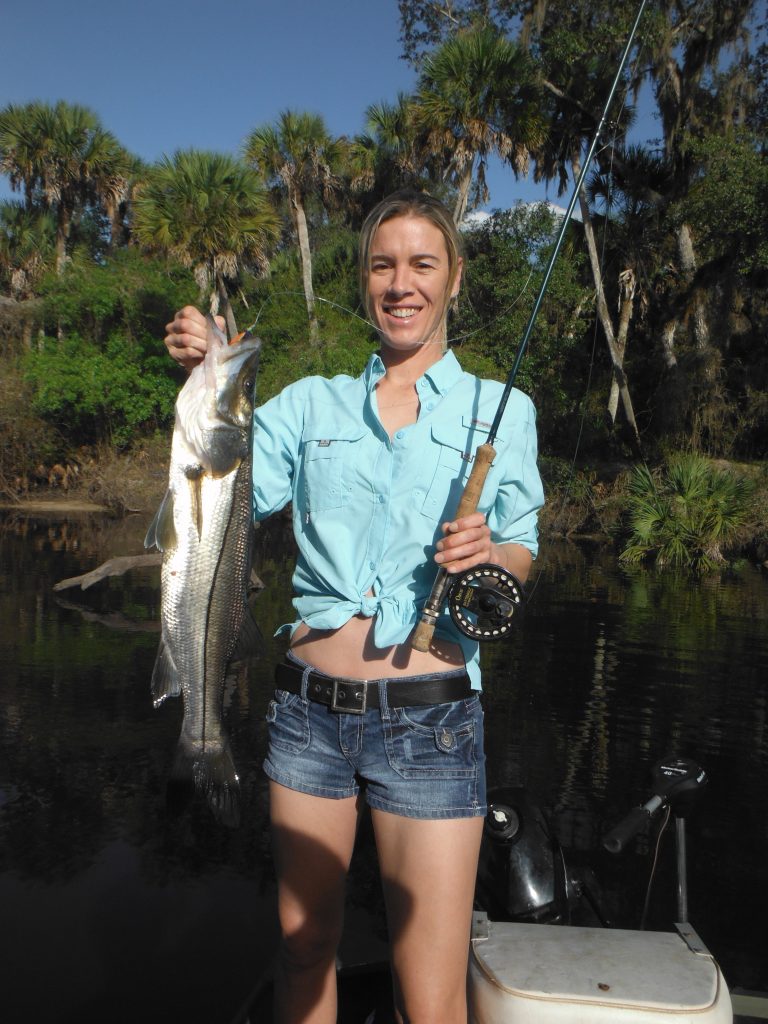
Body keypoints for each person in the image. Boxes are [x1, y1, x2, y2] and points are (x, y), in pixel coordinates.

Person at [165, 189, 544, 1024]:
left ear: (453, 279)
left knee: (430, 986)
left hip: (433, 723)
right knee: (303, 949)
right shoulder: (308, 404)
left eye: (421, 264)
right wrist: (204, 374)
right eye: (382, 264)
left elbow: (522, 547)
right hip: (308, 719)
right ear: (364, 280)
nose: (400, 283)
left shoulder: (503, 410)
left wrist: (491, 558)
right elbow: (220, 492)